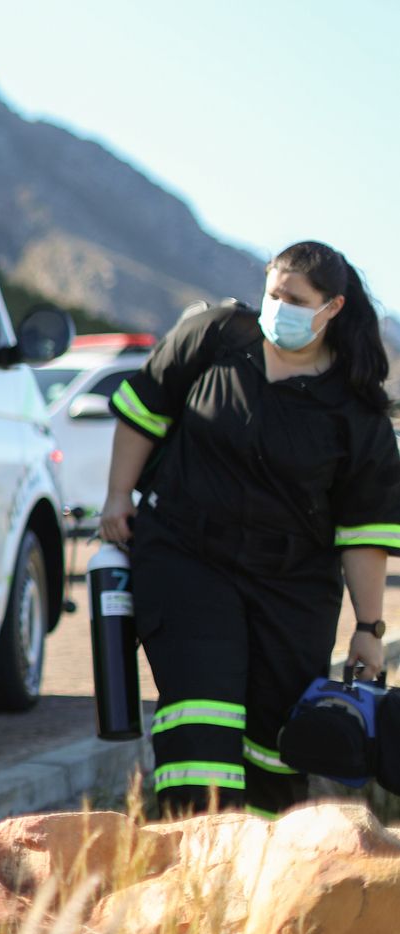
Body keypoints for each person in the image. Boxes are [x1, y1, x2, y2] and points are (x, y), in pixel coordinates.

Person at [100, 241, 400, 818]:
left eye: (295, 300)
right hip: (186, 557)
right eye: (274, 293)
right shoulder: (213, 339)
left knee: (274, 741)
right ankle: (194, 869)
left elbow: (362, 533)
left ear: (332, 308)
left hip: (292, 587)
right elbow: (144, 409)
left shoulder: (356, 411)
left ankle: (260, 881)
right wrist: (118, 496)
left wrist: (369, 627)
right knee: (201, 710)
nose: (278, 306)